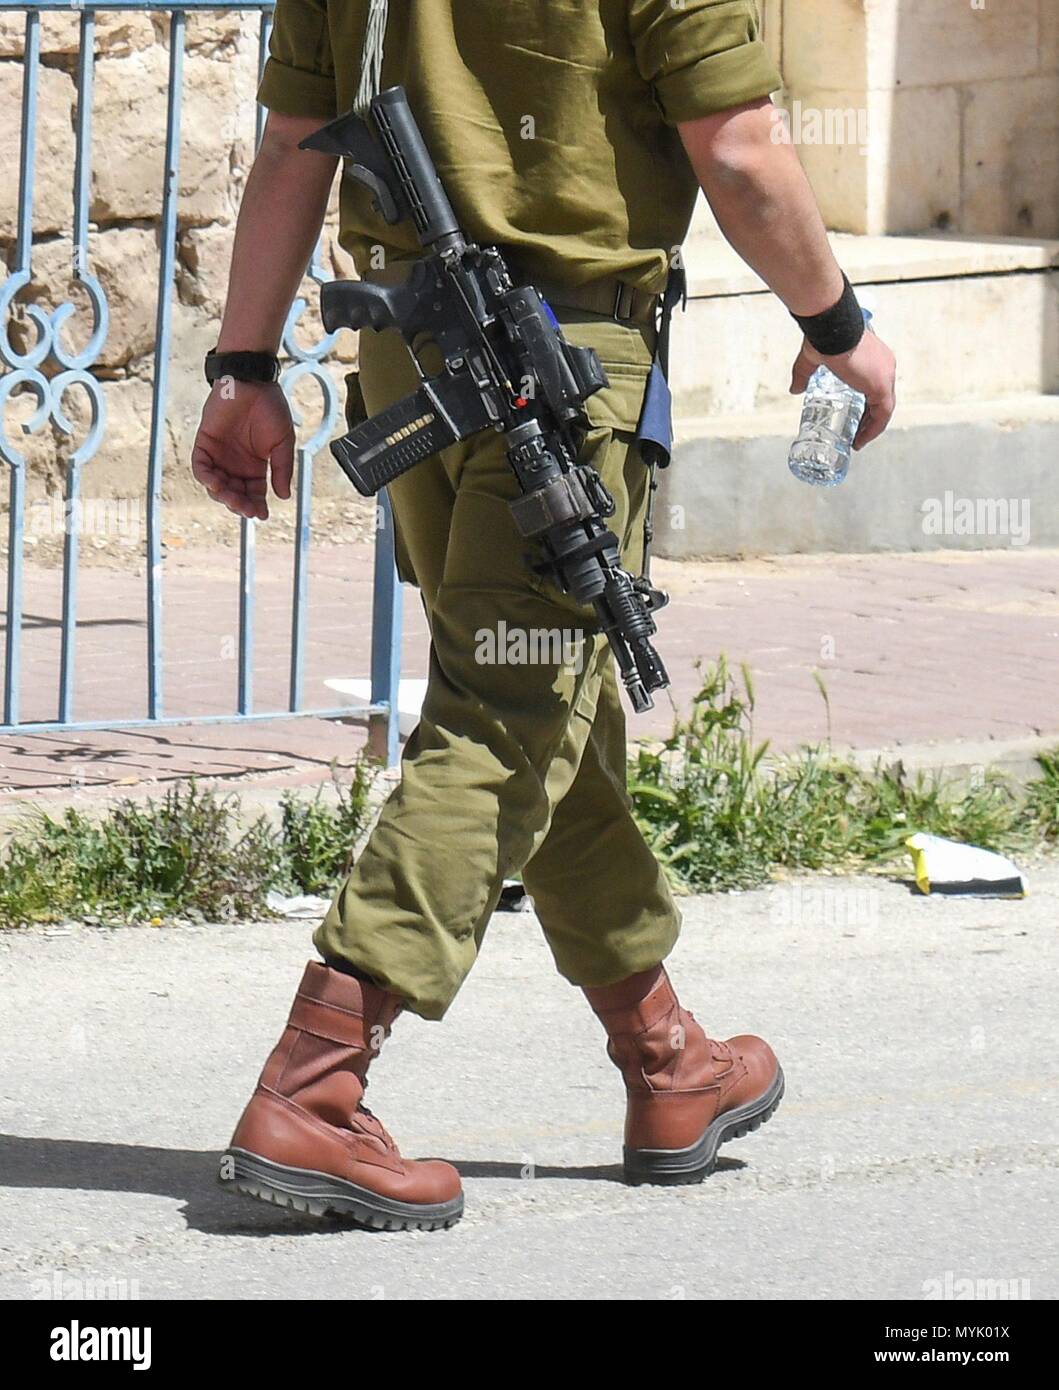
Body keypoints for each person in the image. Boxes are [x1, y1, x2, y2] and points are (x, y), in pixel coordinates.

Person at [192, 0, 897, 1232]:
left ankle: (666, 1059)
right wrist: (838, 326)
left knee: (542, 702)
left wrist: (243, 368)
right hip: (557, 369)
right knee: (506, 721)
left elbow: (290, 144)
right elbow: (737, 147)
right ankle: (315, 1083)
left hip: (413, 362)